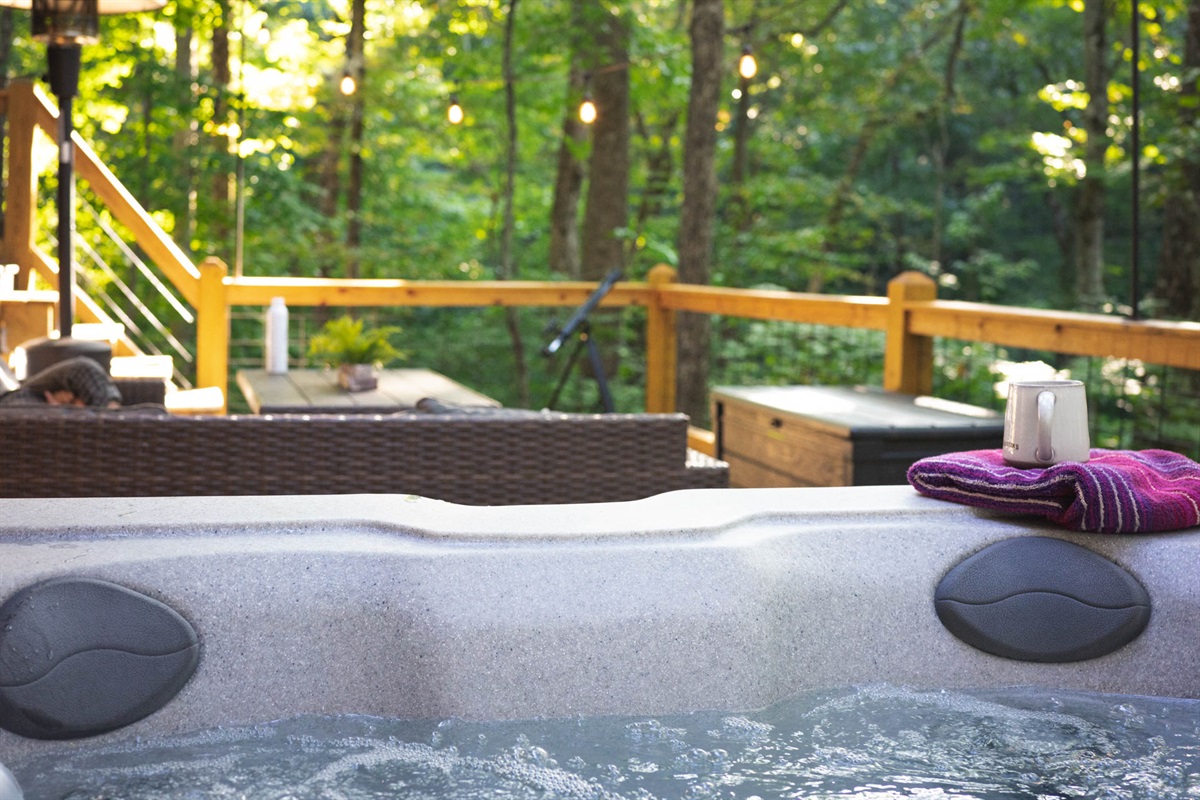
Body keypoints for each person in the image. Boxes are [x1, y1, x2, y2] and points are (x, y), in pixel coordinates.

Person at [0, 356, 121, 408]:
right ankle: (113, 425)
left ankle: (113, 421)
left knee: (83, 369)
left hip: (14, 385)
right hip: (8, 407)